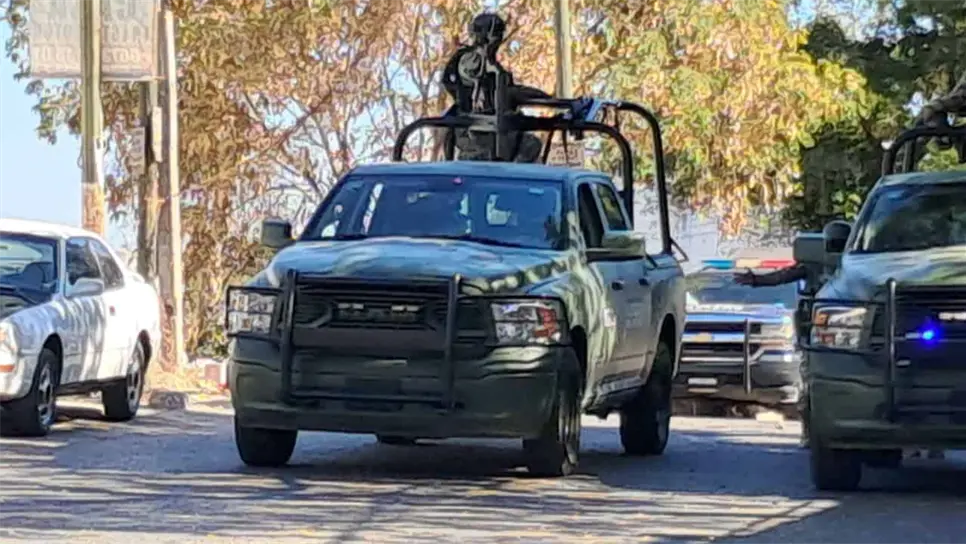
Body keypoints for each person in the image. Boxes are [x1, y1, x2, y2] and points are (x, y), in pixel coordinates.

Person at [440, 12, 546, 163]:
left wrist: (542, 98)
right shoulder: (471, 58)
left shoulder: (491, 64)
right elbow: (475, 79)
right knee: (527, 145)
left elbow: (507, 92)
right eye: (496, 33)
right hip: (477, 131)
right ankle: (510, 173)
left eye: (500, 34)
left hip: (494, 128)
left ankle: (512, 174)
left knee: (530, 144)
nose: (499, 39)